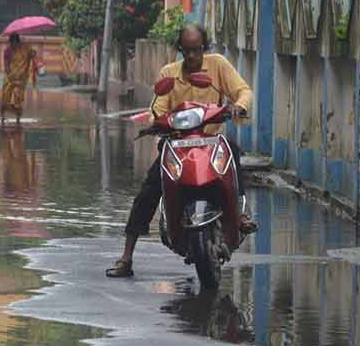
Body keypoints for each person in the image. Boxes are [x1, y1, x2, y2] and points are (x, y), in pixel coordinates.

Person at [106, 23, 256, 278]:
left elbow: (243, 90)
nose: (192, 56)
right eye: (186, 51)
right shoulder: (169, 73)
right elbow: (159, 107)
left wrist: (237, 106)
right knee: (149, 190)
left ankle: (239, 214)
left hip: (210, 141)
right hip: (177, 144)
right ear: (180, 50)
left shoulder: (218, 65)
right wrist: (157, 121)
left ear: (204, 48)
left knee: (232, 152)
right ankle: (127, 257)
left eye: (196, 50)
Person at [1, 34, 37, 127]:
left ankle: (18, 119)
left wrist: (31, 51)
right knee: (5, 98)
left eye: (14, 44)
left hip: (21, 78)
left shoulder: (26, 48)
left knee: (19, 99)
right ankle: (2, 117)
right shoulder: (8, 51)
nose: (13, 46)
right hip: (10, 77)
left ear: (18, 42)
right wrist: (11, 78)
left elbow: (34, 56)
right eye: (11, 44)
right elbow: (6, 66)